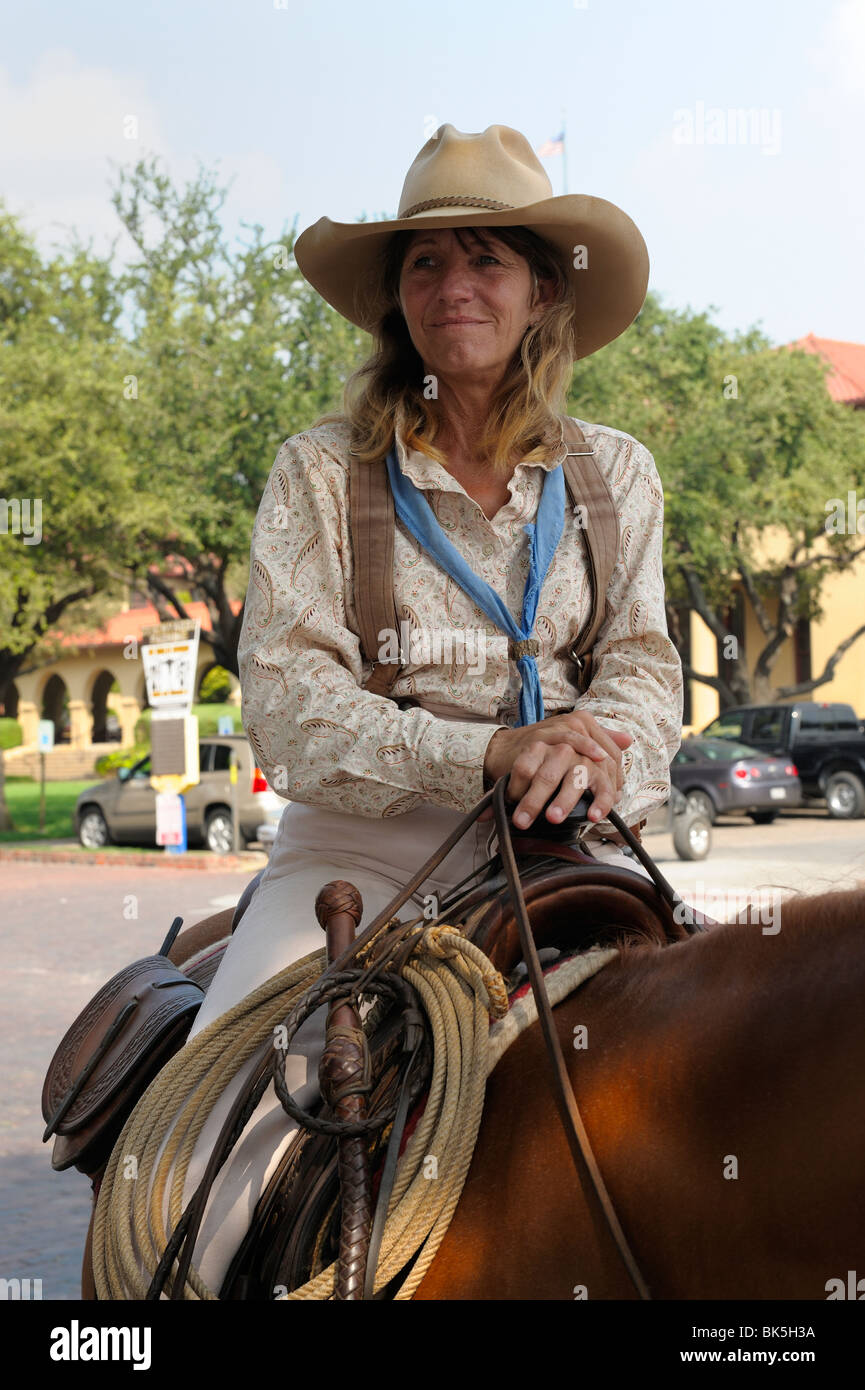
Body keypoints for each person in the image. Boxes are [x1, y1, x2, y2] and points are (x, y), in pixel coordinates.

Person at [158, 123, 684, 1293]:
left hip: (569, 843)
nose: (455, 287)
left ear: (542, 288)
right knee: (209, 1169)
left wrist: (595, 760)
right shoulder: (315, 470)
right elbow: (291, 710)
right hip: (358, 851)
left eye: (486, 258)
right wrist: (490, 751)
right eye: (425, 263)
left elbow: (645, 666)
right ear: (396, 297)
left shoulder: (619, 472)